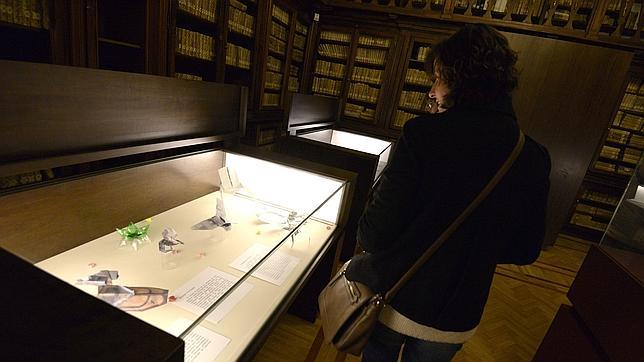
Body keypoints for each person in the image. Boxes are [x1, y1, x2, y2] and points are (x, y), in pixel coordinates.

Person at [344, 24, 551, 361]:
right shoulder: (532, 155)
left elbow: (375, 232)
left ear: (457, 78)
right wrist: (470, 248)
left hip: (395, 297)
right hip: (457, 313)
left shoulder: (423, 135)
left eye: (436, 78)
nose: (431, 91)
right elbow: (526, 250)